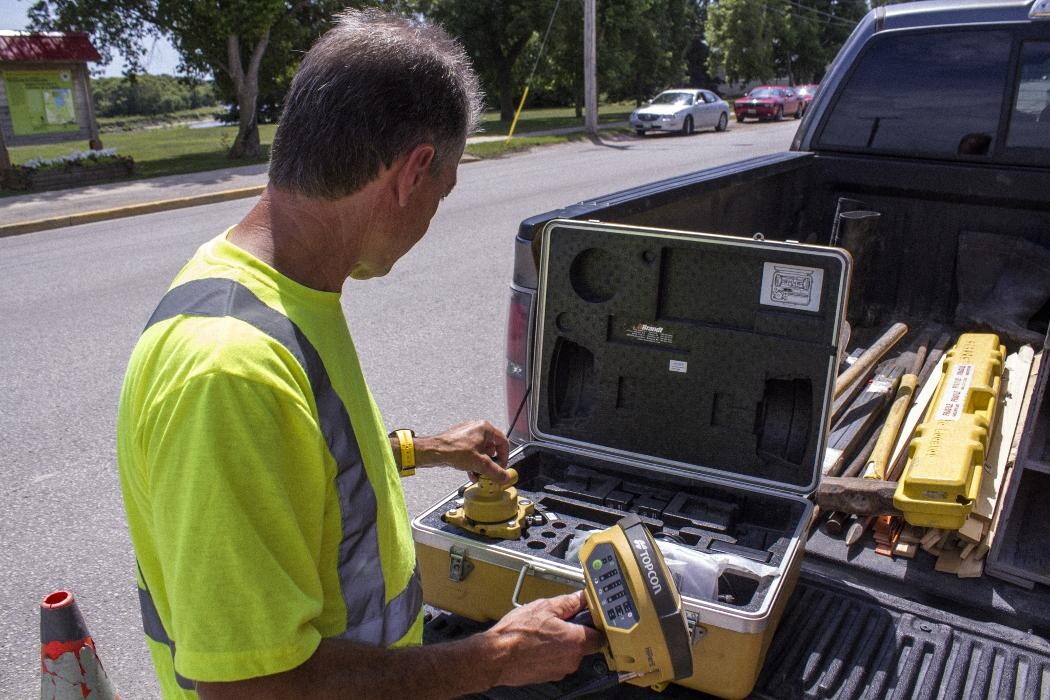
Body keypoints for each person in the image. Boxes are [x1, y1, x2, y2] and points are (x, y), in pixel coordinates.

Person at [116, 9, 601, 699]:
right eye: (443, 191)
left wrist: (428, 450)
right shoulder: (227, 371)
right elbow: (254, 688)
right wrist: (494, 657)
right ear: (413, 172)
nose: (433, 215)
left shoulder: (284, 291)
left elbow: (310, 468)